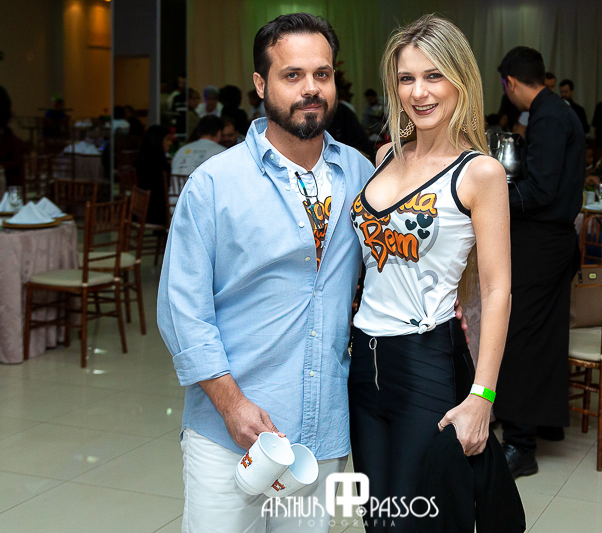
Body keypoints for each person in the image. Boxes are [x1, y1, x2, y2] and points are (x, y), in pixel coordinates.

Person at [156, 13, 377, 532]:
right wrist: (230, 403)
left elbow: (392, 267)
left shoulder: (361, 175)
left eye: (322, 74)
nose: (310, 89)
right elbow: (182, 310)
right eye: (292, 75)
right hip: (229, 431)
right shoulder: (216, 183)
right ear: (261, 84)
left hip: (322, 432)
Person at [349, 14, 512, 532]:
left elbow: (498, 289)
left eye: (434, 75)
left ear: (460, 80)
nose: (419, 92)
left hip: (423, 362)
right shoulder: (384, 156)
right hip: (364, 363)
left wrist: (482, 397)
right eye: (407, 78)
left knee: (417, 520)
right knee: (377, 517)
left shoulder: (479, 172)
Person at [496, 46, 586, 478]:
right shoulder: (560, 110)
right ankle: (547, 422)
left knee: (519, 337)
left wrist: (493, 198)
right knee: (547, 336)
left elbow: (541, 189)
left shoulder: (546, 116)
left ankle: (519, 443)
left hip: (542, 242)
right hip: (557, 241)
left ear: (511, 82)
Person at [134, 125, 171, 226]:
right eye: (167, 139)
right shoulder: (159, 164)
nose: (170, 143)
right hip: (156, 212)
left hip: (140, 210)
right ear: (158, 141)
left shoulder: (140, 159)